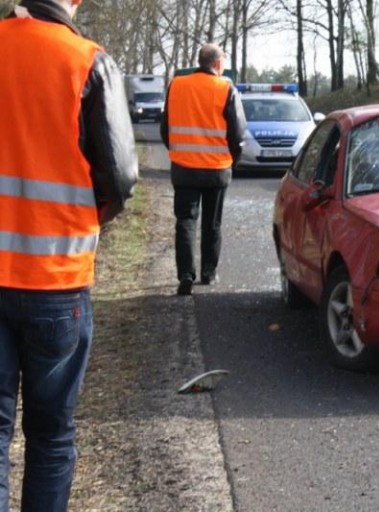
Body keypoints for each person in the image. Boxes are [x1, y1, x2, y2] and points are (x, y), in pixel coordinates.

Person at [0, 1, 139, 510]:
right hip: (56, 279)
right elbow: (121, 177)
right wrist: (85, 218)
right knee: (51, 437)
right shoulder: (87, 61)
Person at [161, 43, 247, 296]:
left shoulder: (177, 85)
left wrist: (176, 150)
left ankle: (186, 274)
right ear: (219, 64)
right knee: (212, 223)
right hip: (216, 169)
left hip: (184, 168)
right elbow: (238, 132)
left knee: (185, 222)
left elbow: (165, 127)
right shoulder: (225, 88)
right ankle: (209, 273)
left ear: (200, 61)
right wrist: (234, 160)